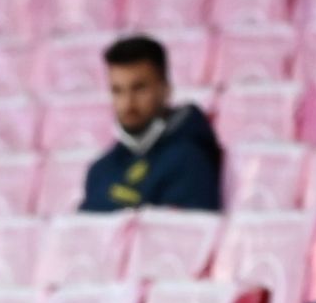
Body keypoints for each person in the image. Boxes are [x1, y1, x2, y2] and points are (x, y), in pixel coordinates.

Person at [80, 35, 222, 213]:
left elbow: (185, 236)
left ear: (165, 89)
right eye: (117, 91)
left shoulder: (190, 159)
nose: (128, 103)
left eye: (139, 88)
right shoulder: (100, 170)